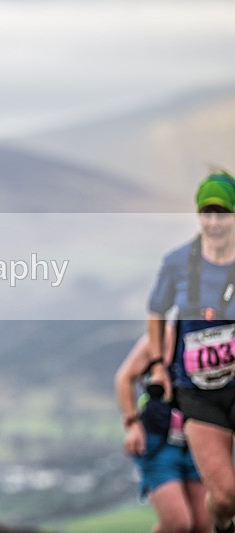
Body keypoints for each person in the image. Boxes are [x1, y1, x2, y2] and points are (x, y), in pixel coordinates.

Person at [147, 170, 235, 533]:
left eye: (223, 213)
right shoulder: (177, 262)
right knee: (225, 496)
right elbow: (156, 311)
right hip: (198, 392)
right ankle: (223, 525)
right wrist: (157, 365)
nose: (214, 223)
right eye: (206, 213)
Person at [114, 330, 210, 533]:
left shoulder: (213, 334)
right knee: (178, 523)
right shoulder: (163, 336)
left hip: (198, 440)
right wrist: (132, 424)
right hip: (158, 442)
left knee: (203, 525)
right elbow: (124, 378)